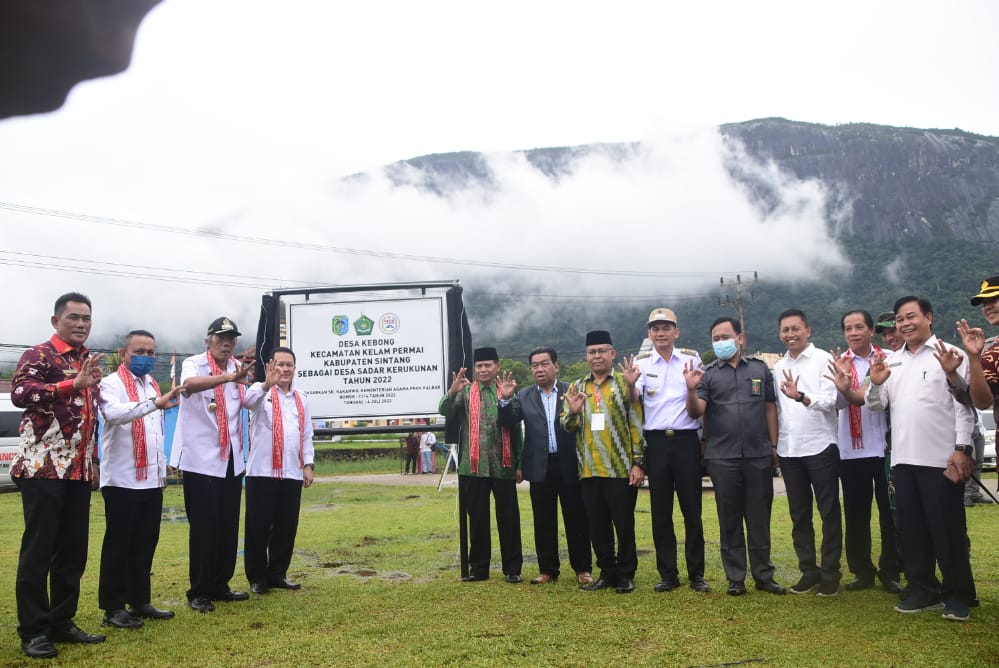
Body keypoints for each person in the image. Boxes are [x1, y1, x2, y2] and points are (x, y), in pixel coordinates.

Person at [866, 296, 976, 621]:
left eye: (911, 316)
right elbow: (876, 405)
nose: (904, 324)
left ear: (929, 317)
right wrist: (875, 383)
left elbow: (964, 408)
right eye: (900, 319)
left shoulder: (950, 354)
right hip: (903, 461)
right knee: (912, 531)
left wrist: (962, 449)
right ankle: (923, 589)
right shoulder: (892, 361)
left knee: (948, 531)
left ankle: (957, 594)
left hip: (941, 460)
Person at [9, 292, 106, 658]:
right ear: (55, 321)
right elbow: (20, 393)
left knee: (72, 551)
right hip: (42, 469)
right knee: (39, 550)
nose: (81, 324)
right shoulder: (39, 355)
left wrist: (92, 460)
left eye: (86, 318)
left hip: (77, 471)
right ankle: (33, 631)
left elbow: (89, 417)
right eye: (73, 318)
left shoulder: (87, 360)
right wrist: (69, 385)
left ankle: (61, 621)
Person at [684, 317, 785, 597]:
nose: (721, 342)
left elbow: (769, 408)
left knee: (759, 518)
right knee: (729, 519)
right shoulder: (707, 374)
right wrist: (691, 390)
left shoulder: (760, 369)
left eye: (725, 336)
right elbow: (696, 412)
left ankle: (764, 575)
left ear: (740, 338)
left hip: (758, 453)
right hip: (722, 457)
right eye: (715, 338)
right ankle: (735, 578)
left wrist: (774, 446)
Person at [97, 330, 182, 630]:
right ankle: (113, 607)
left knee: (145, 543)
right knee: (119, 545)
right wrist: (155, 404)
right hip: (122, 479)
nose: (146, 357)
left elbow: (154, 431)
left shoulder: (151, 383)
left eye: (150, 352)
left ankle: (139, 600)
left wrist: (162, 468)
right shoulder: (110, 383)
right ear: (124, 353)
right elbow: (114, 414)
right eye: (139, 351)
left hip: (150, 480)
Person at [170, 317, 254, 613]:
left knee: (228, 525)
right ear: (208, 341)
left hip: (232, 458)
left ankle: (221, 584)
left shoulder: (237, 368)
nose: (226, 344)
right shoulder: (195, 364)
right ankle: (199, 591)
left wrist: (264, 385)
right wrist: (227, 378)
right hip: (201, 460)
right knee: (204, 527)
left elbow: (248, 401)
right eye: (220, 339)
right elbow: (189, 386)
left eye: (231, 339)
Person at [628, 308, 708, 593]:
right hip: (657, 443)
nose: (660, 333)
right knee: (660, 512)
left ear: (677, 332)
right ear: (649, 334)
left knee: (692, 510)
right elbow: (633, 398)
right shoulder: (641, 363)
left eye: (666, 328)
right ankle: (668, 574)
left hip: (686, 440)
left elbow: (701, 400)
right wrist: (628, 383)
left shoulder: (691, 358)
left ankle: (697, 574)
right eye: (655, 329)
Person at [498, 346, 593, 586]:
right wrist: (505, 399)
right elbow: (508, 422)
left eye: (544, 364)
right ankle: (548, 569)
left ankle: (583, 568)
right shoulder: (524, 395)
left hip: (570, 464)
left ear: (556, 366)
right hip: (540, 467)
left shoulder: (571, 390)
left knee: (576, 519)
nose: (539, 369)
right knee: (543, 520)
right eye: (535, 365)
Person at [561, 331, 645, 594]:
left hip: (619, 469)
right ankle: (607, 572)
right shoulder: (576, 387)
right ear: (586, 356)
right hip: (588, 469)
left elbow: (637, 423)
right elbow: (566, 425)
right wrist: (573, 412)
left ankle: (626, 574)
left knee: (623, 524)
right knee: (596, 526)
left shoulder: (625, 383)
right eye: (591, 352)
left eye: (601, 351)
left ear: (612, 354)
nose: (596, 356)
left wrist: (638, 463)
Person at [824, 310, 901, 593]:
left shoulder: (888, 360)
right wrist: (842, 383)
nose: (853, 333)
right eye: (848, 328)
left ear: (871, 331)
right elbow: (835, 406)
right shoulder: (838, 363)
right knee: (856, 515)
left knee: (889, 514)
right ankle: (862, 571)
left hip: (884, 449)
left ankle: (891, 570)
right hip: (850, 451)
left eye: (859, 327)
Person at [773, 309, 843, 597]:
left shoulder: (823, 359)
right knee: (799, 515)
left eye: (795, 328)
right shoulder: (778, 367)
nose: (790, 334)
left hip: (820, 446)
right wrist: (777, 445)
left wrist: (801, 396)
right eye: (785, 330)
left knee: (828, 512)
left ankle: (830, 573)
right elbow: (777, 410)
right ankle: (809, 572)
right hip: (790, 450)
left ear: (808, 330)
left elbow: (831, 401)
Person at [439, 347, 523, 583]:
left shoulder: (507, 391)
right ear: (475, 369)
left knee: (509, 519)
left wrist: (518, 462)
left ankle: (512, 569)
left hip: (503, 466)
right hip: (472, 467)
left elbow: (516, 430)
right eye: (479, 366)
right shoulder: (465, 393)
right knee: (477, 519)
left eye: (488, 365)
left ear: (497, 366)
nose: (483, 370)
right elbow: (445, 411)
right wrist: (452, 392)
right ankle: (479, 569)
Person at [243, 347, 315, 595]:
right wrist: (266, 384)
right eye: (280, 364)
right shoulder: (259, 391)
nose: (284, 369)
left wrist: (308, 464)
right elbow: (248, 403)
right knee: (258, 528)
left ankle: (277, 574)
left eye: (289, 365)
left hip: (291, 473)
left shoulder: (301, 398)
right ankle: (257, 577)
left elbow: (306, 434)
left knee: (286, 527)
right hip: (261, 472)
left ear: (295, 368)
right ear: (270, 366)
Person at [955, 276, 999, 503]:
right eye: (984, 302)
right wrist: (973, 359)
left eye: (995, 299)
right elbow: (982, 402)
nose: (988, 306)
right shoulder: (991, 352)